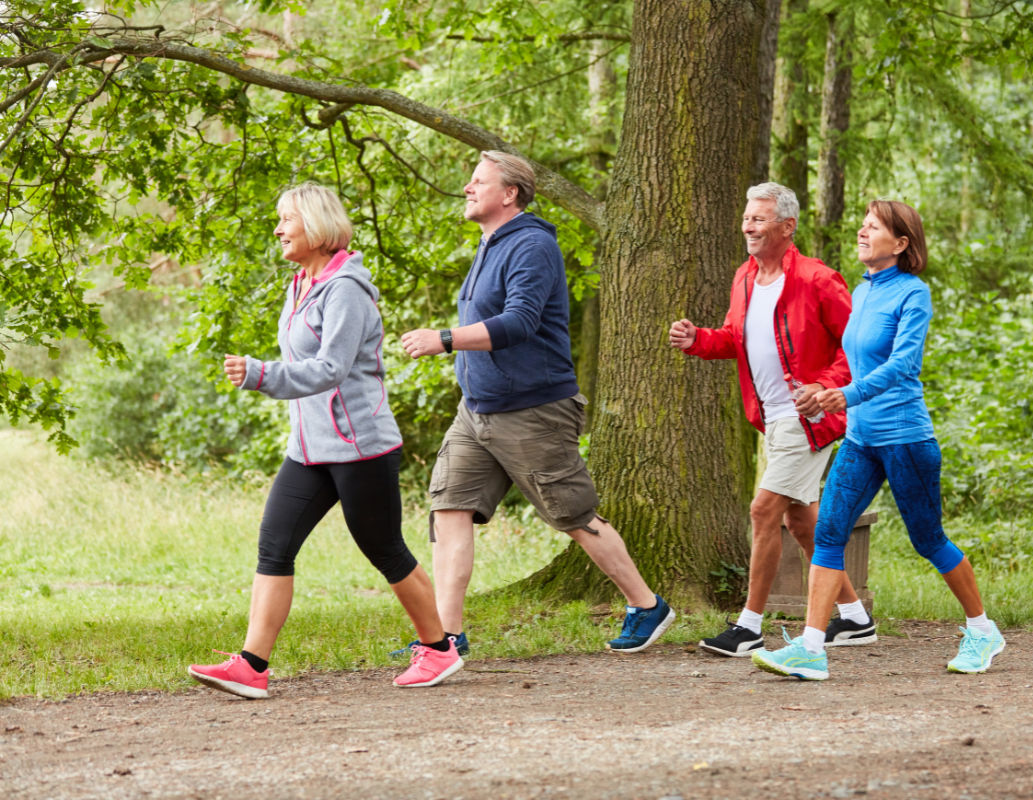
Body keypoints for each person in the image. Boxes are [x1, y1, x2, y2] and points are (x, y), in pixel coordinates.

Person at [188, 183, 462, 699]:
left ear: (315, 225)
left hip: (360, 446)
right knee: (275, 544)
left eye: (286, 219)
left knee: (384, 549)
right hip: (309, 449)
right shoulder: (302, 284)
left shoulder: (346, 290)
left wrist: (261, 374)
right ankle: (251, 665)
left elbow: (331, 368)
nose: (278, 229)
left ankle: (440, 650)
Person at [399, 151, 674, 655]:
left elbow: (521, 321)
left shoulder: (531, 245)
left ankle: (646, 604)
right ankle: (445, 639)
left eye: (478, 180)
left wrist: (445, 338)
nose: (467, 187)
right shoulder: (489, 243)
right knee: (449, 508)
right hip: (477, 409)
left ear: (510, 194)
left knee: (573, 514)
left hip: (533, 410)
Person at [753, 200, 1006, 681]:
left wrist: (844, 396)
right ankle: (811, 648)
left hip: (905, 437)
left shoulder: (914, 294)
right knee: (828, 533)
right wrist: (822, 390)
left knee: (928, 539)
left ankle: (982, 629)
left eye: (874, 227)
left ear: (902, 243)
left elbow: (904, 365)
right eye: (863, 225)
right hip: (861, 438)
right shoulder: (864, 292)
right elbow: (853, 361)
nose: (863, 232)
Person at [669, 182, 875, 658]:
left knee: (763, 510)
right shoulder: (744, 277)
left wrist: (825, 389)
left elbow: (858, 347)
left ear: (787, 226)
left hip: (810, 420)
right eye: (747, 218)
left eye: (759, 219)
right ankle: (856, 619)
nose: (748, 226)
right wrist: (697, 339)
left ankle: (749, 626)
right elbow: (733, 338)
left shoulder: (818, 280)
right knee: (802, 523)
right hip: (772, 420)